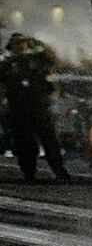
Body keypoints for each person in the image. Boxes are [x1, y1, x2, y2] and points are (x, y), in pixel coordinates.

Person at [2, 34, 69, 181]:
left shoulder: (37, 59)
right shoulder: (6, 63)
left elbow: (52, 59)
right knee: (25, 143)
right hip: (18, 107)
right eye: (17, 44)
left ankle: (59, 170)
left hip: (39, 105)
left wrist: (40, 42)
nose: (21, 46)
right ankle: (29, 172)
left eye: (23, 43)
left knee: (49, 140)